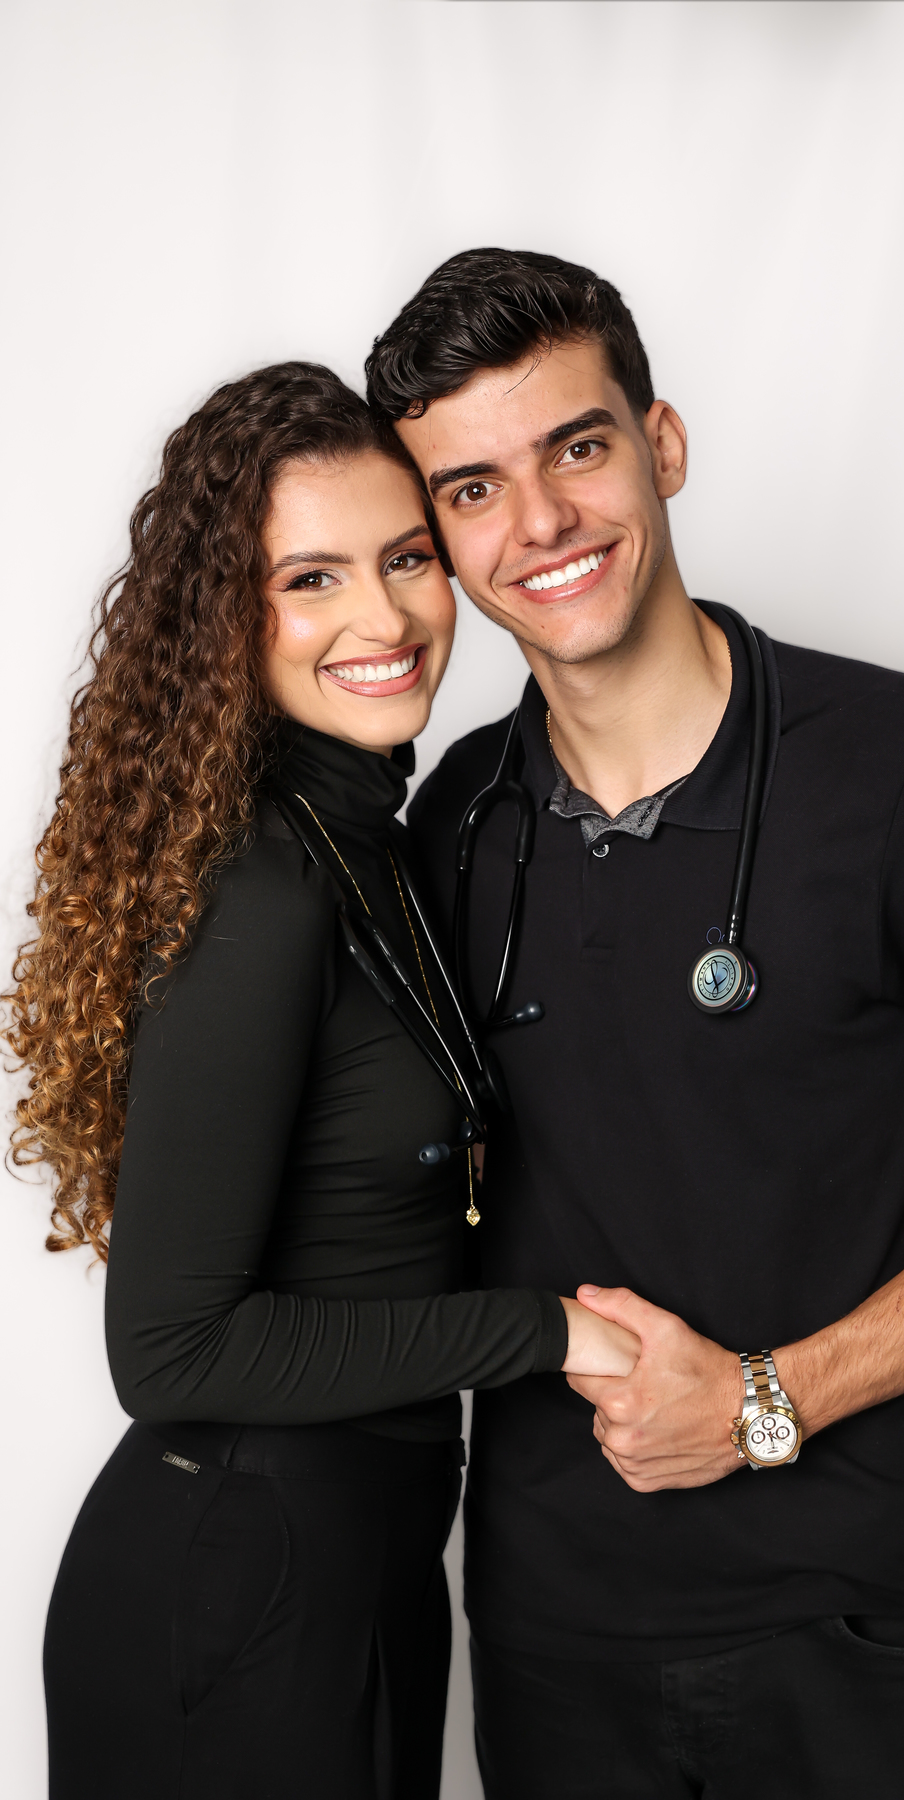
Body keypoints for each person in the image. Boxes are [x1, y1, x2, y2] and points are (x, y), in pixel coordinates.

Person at [365, 249, 904, 1800]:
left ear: (661, 444)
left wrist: (760, 1403)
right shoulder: (454, 822)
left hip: (859, 1627)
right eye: (473, 489)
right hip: (554, 1643)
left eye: (576, 449)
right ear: (440, 541)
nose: (540, 521)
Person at [2, 361, 639, 1800]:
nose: (385, 619)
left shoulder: (371, 846)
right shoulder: (267, 885)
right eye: (311, 580)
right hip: (241, 1583)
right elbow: (168, 1353)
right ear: (227, 619)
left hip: (354, 1559)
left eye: (406, 558)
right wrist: (547, 1334)